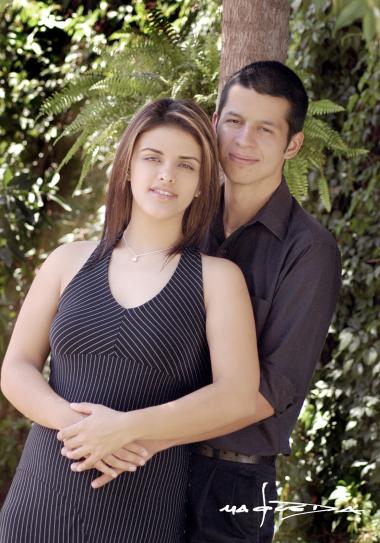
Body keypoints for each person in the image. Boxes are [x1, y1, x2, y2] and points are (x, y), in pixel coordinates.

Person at [82, 62, 342, 542]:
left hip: (231, 483)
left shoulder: (309, 250)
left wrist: (141, 436)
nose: (244, 141)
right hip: (143, 466)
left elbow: (270, 389)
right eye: (234, 122)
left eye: (266, 129)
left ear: (293, 144)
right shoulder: (176, 220)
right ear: (214, 121)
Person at [0, 98, 261, 543]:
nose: (166, 175)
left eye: (185, 165)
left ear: (202, 184)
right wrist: (78, 427)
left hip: (142, 511)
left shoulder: (219, 280)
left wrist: (126, 428)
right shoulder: (67, 261)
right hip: (38, 504)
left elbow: (237, 395)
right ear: (126, 167)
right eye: (152, 158)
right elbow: (16, 367)